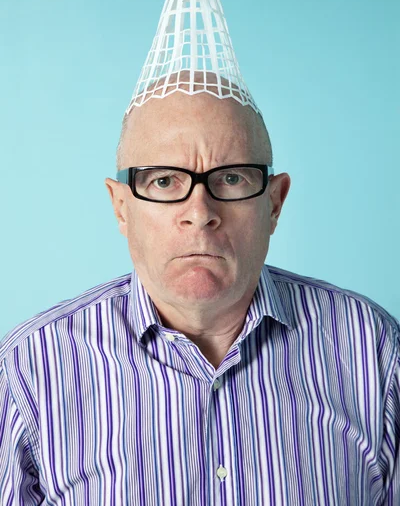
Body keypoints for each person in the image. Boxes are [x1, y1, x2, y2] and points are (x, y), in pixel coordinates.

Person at [0, 72, 399, 505]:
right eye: (164, 181)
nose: (199, 213)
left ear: (274, 203)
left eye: (231, 179)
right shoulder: (30, 371)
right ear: (121, 207)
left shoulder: (374, 351)